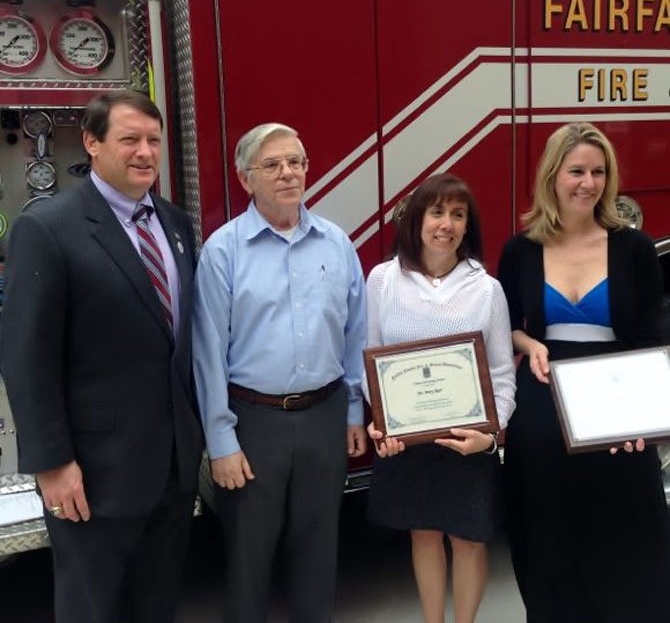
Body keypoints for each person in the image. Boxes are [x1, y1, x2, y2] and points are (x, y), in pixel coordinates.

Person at [0, 90, 203, 623]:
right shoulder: (48, 229)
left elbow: (176, 345)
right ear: (91, 142)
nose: (145, 153)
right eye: (130, 139)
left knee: (156, 604)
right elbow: (27, 357)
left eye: (154, 141)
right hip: (92, 476)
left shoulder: (176, 225)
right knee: (91, 607)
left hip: (171, 469)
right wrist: (52, 464)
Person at [192, 122, 367, 623]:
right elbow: (207, 354)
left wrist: (354, 409)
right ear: (246, 179)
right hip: (254, 421)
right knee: (249, 553)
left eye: (296, 162)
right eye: (272, 165)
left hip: (325, 413)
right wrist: (221, 441)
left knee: (319, 546)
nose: (288, 173)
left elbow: (356, 333)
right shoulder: (224, 252)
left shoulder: (336, 244)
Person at [497, 122, 670, 623]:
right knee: (548, 530)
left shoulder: (634, 248)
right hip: (544, 400)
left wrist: (640, 418)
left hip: (615, 401)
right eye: (576, 171)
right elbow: (504, 326)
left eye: (598, 172)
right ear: (553, 175)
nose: (587, 183)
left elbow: (648, 336)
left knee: (628, 530)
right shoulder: (520, 249)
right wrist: (528, 342)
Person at [366, 173, 516, 623]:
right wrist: (380, 420)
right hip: (407, 440)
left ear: (468, 226)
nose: (445, 224)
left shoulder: (486, 289)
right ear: (416, 220)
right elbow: (369, 358)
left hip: (467, 438)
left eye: (457, 214)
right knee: (424, 535)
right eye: (436, 212)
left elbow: (504, 375)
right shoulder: (383, 280)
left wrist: (490, 436)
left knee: (469, 538)